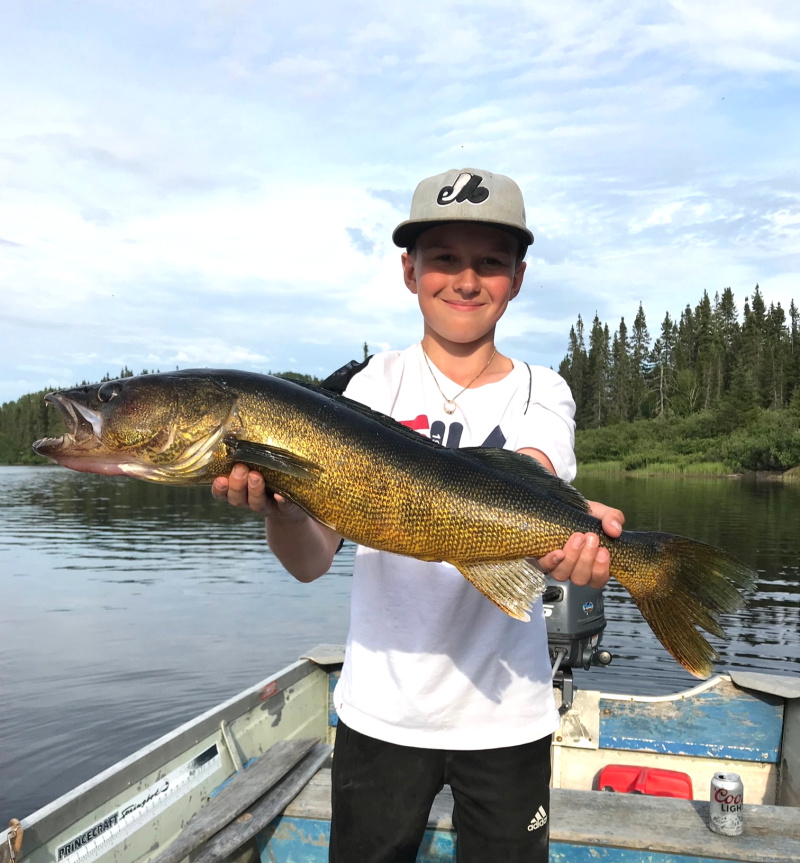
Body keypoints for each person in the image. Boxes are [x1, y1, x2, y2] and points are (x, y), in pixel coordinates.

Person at [212, 168, 624, 863]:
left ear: (517, 278)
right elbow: (312, 561)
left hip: (507, 715)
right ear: (410, 271)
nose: (466, 280)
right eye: (444, 259)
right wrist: (282, 510)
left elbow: (532, 468)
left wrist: (571, 530)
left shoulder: (542, 390)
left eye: (490, 262)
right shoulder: (369, 388)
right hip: (381, 712)